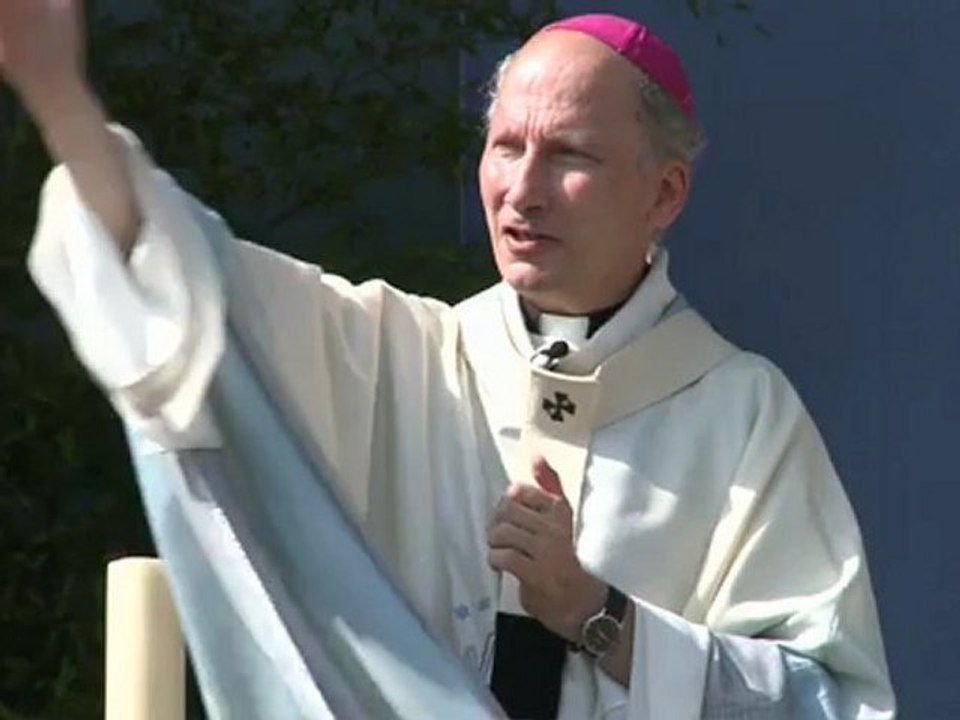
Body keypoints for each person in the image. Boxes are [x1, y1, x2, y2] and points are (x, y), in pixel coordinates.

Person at [2, 2, 895, 718]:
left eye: (570, 155)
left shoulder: (739, 415)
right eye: (506, 145)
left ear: (665, 193)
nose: (522, 189)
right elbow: (192, 288)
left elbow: (831, 702)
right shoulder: (400, 358)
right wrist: (58, 98)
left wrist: (597, 614)